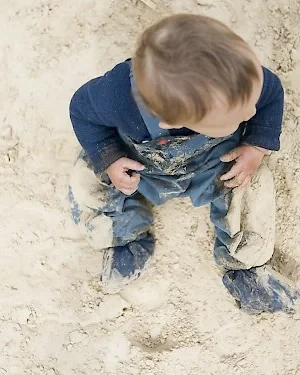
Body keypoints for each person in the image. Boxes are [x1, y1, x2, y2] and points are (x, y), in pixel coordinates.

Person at [68, 14, 299, 313]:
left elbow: (270, 95)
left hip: (214, 162)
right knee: (88, 175)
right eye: (238, 115)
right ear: (175, 122)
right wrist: (109, 158)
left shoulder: (243, 77)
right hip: (142, 165)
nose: (251, 110)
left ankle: (246, 265)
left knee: (254, 182)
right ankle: (124, 235)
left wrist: (256, 145)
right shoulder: (115, 97)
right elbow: (81, 112)